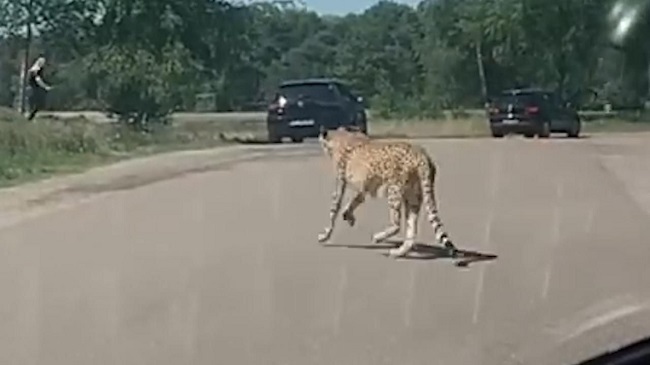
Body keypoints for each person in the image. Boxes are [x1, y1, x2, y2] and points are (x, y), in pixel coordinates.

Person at [26, 56, 52, 121]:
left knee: (34, 105)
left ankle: (30, 117)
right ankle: (30, 118)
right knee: (37, 104)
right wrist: (45, 86)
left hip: (32, 88)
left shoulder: (34, 69)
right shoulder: (36, 70)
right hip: (34, 89)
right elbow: (38, 80)